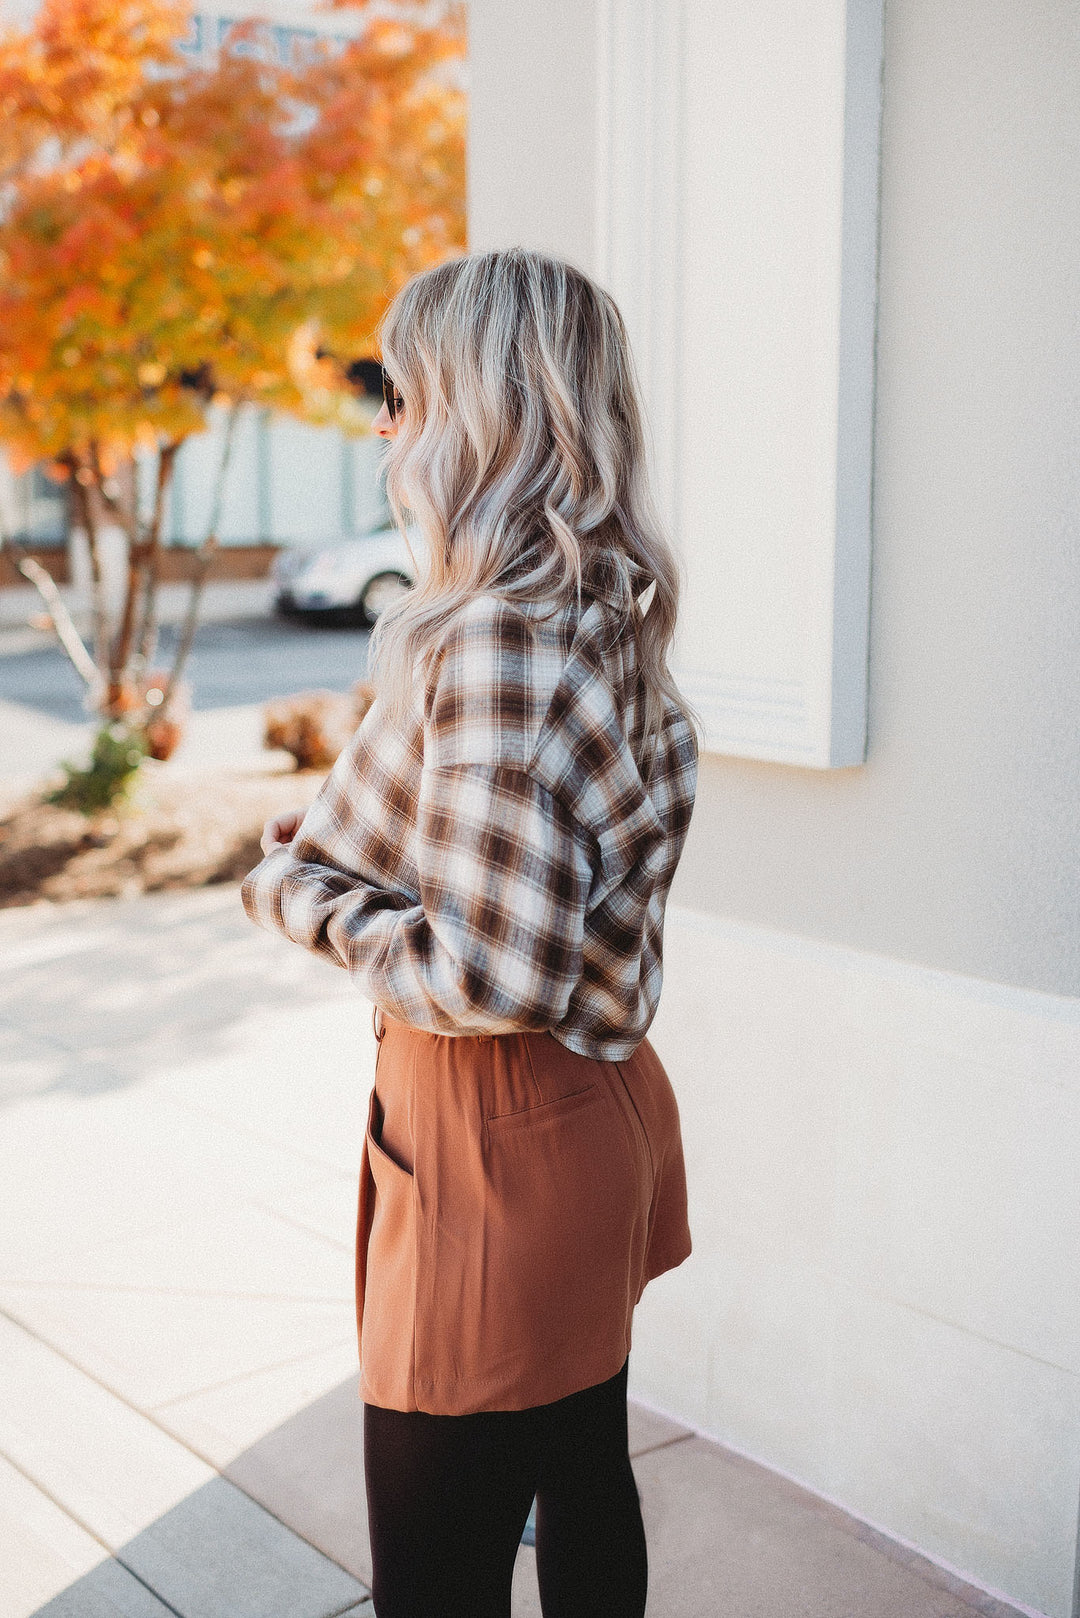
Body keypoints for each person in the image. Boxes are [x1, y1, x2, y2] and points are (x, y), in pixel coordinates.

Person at [242, 247, 700, 1618]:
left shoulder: (492, 635)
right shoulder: (602, 613)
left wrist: (295, 888)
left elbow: (488, 972)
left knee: (436, 1581)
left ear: (479, 411)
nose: (385, 423)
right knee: (583, 1481)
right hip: (580, 1127)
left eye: (406, 389)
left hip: (491, 1152)